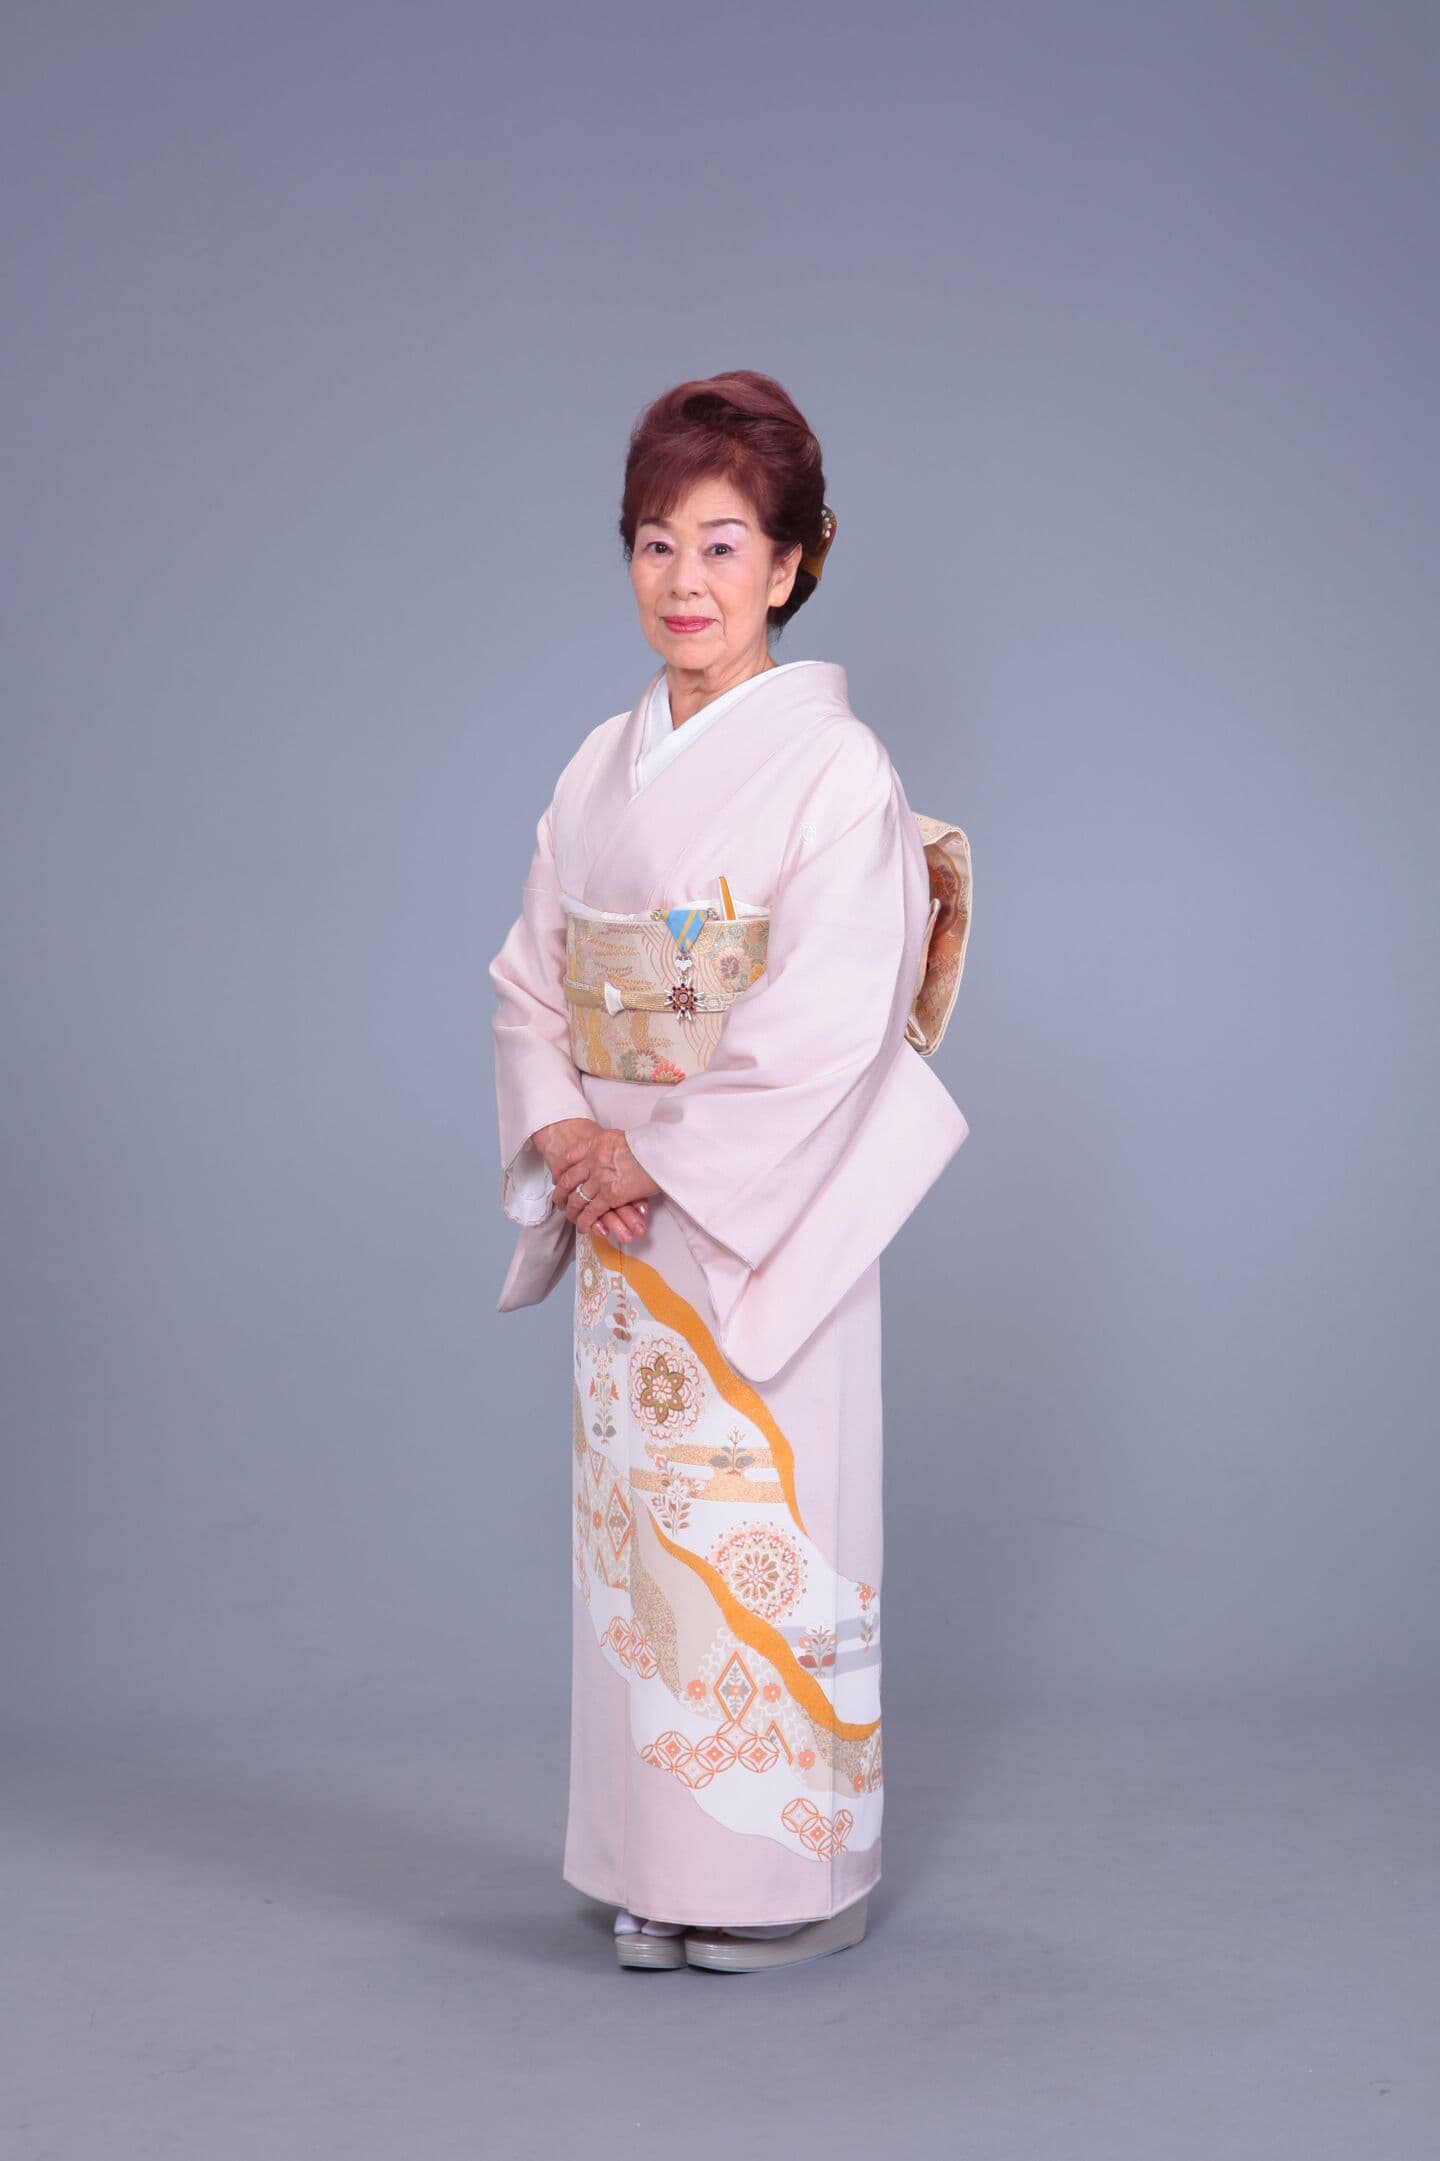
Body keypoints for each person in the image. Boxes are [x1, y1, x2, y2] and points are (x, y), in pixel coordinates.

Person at [488, 370, 973, 1973]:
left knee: (763, 1522)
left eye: (721, 544)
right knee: (642, 1549)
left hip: (757, 1220)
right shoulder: (594, 764)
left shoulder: (839, 773)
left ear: (792, 562)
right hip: (620, 1215)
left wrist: (643, 1148)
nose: (683, 582)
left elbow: (829, 1023)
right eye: (654, 542)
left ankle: (789, 1878)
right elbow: (531, 978)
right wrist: (567, 1133)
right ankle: (651, 1864)